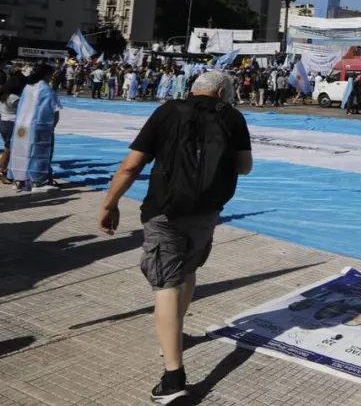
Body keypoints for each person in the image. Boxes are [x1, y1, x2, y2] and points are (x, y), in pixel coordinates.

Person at [97, 70, 253, 404]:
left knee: (166, 283)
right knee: (188, 271)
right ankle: (176, 334)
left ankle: (173, 377)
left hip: (165, 211)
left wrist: (110, 204)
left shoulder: (167, 112)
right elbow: (244, 167)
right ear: (223, 93)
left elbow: (131, 165)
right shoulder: (233, 117)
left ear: (193, 91)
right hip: (207, 211)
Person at [8, 63, 62, 191]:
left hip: (21, 126)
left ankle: (18, 180)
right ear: (47, 74)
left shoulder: (27, 87)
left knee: (20, 152)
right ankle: (38, 181)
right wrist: (52, 127)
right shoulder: (46, 89)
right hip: (39, 126)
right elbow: (55, 110)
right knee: (38, 152)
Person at [0, 71, 26, 186]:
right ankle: (2, 172)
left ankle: (6, 171)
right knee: (9, 148)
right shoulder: (14, 97)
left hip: (4, 122)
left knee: (9, 148)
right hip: (12, 124)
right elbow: (24, 108)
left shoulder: (4, 95)